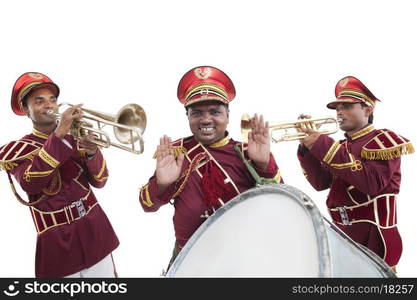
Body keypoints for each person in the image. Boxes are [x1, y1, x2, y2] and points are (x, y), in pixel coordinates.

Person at [139, 66, 283, 266]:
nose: (206, 119)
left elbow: (279, 201)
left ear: (228, 115)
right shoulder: (176, 153)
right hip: (191, 260)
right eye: (197, 113)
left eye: (215, 112)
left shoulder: (247, 151)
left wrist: (263, 164)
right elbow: (147, 205)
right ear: (187, 117)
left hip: (245, 254)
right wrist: (162, 185)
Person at [0, 72, 119, 277]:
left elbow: (101, 181)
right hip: (58, 246)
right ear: (26, 111)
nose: (49, 105)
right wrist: (58, 136)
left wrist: (92, 152)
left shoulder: (77, 136)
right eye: (39, 101)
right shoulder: (16, 151)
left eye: (52, 100)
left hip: (95, 234)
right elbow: (32, 183)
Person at [296, 75, 414, 269]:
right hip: (341, 235)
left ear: (368, 110)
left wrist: (322, 144)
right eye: (337, 108)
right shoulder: (341, 147)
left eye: (347, 106)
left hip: (374, 238)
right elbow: (320, 183)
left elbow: (372, 183)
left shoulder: (383, 140)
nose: (339, 111)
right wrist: (307, 149)